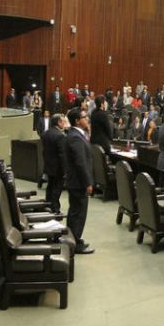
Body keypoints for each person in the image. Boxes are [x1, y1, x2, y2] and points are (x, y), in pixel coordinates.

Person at [64, 108, 95, 255]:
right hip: (78, 182)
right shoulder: (76, 137)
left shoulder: (76, 134)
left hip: (75, 181)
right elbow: (80, 162)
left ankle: (74, 238)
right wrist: (88, 183)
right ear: (77, 121)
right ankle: (75, 243)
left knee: (75, 211)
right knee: (79, 213)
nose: (87, 119)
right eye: (84, 117)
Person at [41, 113, 68, 212]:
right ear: (58, 122)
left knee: (50, 186)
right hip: (58, 168)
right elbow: (62, 155)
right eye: (62, 121)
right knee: (57, 188)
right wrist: (65, 171)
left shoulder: (45, 133)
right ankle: (55, 208)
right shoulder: (60, 136)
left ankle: (47, 205)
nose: (64, 123)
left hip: (48, 165)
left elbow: (44, 152)